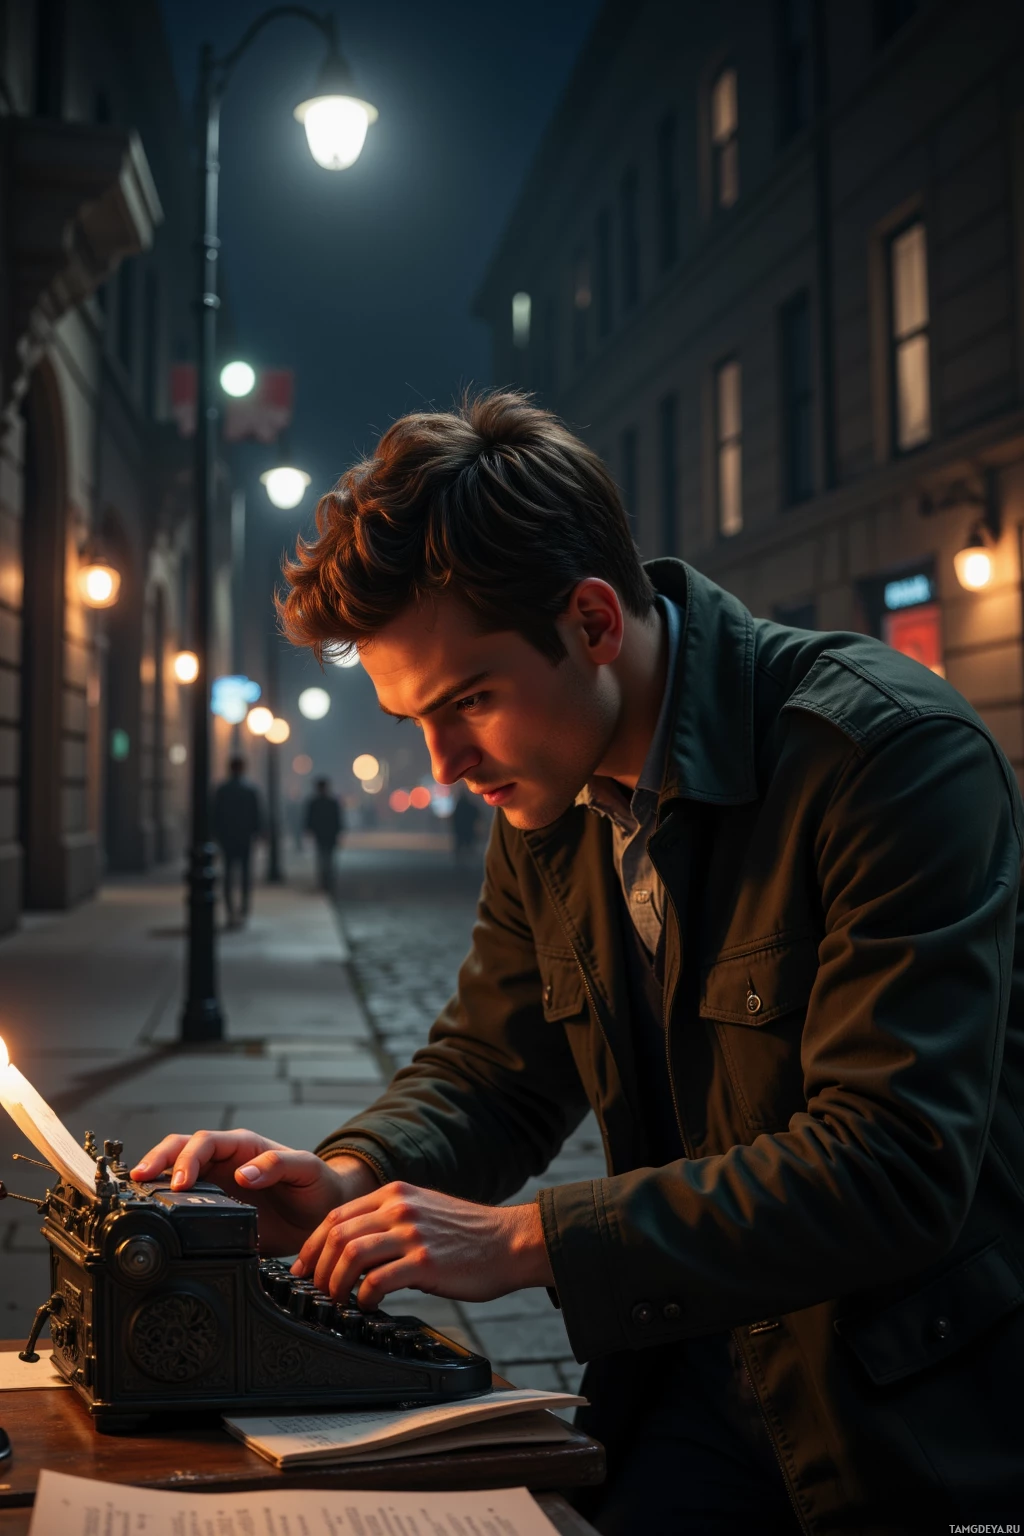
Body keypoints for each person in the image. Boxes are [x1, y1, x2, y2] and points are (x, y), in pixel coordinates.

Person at [134, 394, 1024, 1533]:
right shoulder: (549, 795)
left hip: (907, 1420)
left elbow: (891, 1165)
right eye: (414, 718)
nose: (447, 762)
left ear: (594, 621)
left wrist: (529, 1241)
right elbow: (495, 1066)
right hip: (685, 1379)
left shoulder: (884, 756)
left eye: (470, 702)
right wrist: (347, 1180)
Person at [211, 755, 263, 927]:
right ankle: (244, 909)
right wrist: (258, 834)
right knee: (245, 875)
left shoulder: (222, 790)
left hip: (227, 838)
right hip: (245, 838)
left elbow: (215, 815)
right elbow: (257, 816)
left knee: (228, 874)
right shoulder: (250, 790)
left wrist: (216, 835)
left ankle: (230, 910)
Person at [305, 777, 344, 892]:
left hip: (321, 834)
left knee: (323, 858)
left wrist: (309, 830)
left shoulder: (314, 802)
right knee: (328, 859)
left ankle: (324, 881)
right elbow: (338, 820)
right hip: (329, 835)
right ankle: (328, 881)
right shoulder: (332, 802)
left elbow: (309, 819)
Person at [449, 785, 480, 862]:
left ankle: (462, 862)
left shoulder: (459, 806)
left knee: (461, 846)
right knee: (467, 845)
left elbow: (454, 818)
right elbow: (476, 814)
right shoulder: (468, 806)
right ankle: (466, 862)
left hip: (461, 829)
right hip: (467, 829)